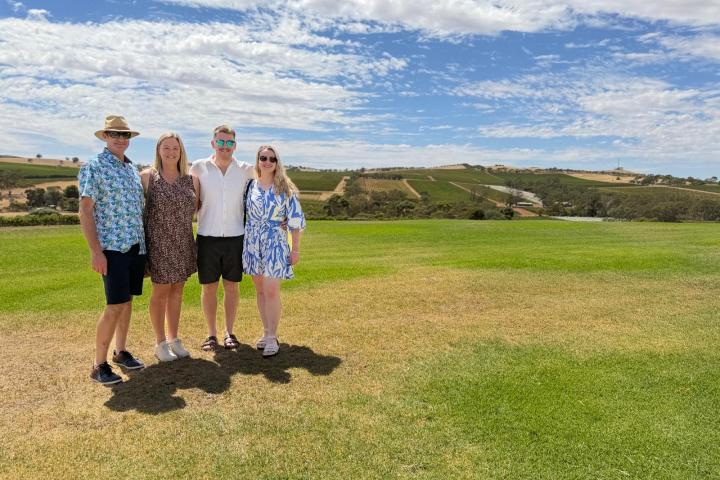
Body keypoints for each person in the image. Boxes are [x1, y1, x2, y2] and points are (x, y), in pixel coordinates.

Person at [79, 115, 146, 385]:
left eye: (125, 135)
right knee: (114, 305)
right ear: (105, 136)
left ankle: (120, 352)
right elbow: (85, 211)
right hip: (112, 249)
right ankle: (99, 364)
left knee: (127, 301)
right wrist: (96, 252)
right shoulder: (93, 167)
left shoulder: (132, 169)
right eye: (115, 134)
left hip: (135, 246)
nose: (120, 139)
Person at [189, 125, 254, 351]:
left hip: (236, 238)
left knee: (232, 287)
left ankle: (229, 332)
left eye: (229, 143)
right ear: (213, 143)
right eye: (221, 142)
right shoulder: (198, 167)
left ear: (234, 145)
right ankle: (211, 334)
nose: (225, 147)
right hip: (207, 238)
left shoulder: (247, 170)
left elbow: (271, 186)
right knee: (208, 288)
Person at [140, 133, 199, 362]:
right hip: (158, 243)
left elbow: (197, 208)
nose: (171, 152)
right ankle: (160, 343)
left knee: (178, 291)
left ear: (181, 151)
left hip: (183, 241)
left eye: (175, 148)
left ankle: (174, 339)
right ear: (158, 150)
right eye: (166, 147)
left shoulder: (191, 179)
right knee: (161, 292)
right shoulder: (147, 177)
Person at [243, 145, 305, 357]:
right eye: (263, 158)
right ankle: (266, 331)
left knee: (271, 290)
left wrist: (295, 249)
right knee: (260, 290)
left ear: (277, 163)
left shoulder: (285, 188)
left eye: (272, 158)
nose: (267, 162)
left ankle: (273, 337)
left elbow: (295, 221)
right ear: (258, 161)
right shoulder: (251, 186)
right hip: (253, 243)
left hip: (276, 243)